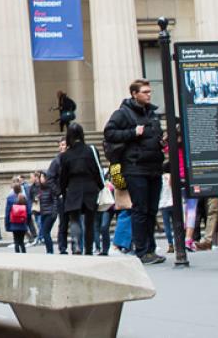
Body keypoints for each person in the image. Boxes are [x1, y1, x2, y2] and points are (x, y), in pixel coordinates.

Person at [103, 79, 167, 265]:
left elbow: (154, 134)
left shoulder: (152, 114)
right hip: (135, 167)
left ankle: (150, 249)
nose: (148, 94)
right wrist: (132, 132)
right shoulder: (123, 113)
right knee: (140, 209)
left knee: (151, 210)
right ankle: (142, 250)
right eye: (145, 92)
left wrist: (160, 142)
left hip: (154, 167)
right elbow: (109, 133)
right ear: (134, 94)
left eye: (149, 91)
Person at [58, 123, 104, 256]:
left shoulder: (65, 155)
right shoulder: (90, 150)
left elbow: (63, 177)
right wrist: (101, 186)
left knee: (74, 219)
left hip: (73, 188)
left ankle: (77, 245)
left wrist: (62, 191)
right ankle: (88, 249)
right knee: (89, 221)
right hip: (90, 188)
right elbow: (97, 170)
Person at [4, 185, 29, 253]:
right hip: (23, 222)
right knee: (22, 241)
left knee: (16, 241)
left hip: (14, 222)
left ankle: (17, 256)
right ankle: (24, 254)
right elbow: (28, 212)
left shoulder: (10, 199)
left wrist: (7, 224)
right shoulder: (24, 198)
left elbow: (7, 213)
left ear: (13, 190)